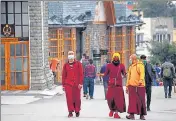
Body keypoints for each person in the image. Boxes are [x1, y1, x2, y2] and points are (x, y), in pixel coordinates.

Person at [100, 52, 126, 119]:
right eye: (115, 57)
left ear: (119, 58)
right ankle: (112, 110)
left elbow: (124, 74)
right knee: (109, 98)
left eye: (117, 57)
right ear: (113, 58)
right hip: (111, 85)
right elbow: (105, 74)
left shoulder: (122, 65)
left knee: (118, 100)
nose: (116, 58)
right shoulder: (109, 65)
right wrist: (100, 75)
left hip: (118, 85)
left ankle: (116, 113)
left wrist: (125, 75)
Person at [62, 51, 83, 118]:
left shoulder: (78, 64)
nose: (70, 56)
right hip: (68, 84)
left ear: (74, 56)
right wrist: (63, 85)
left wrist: (80, 83)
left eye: (72, 54)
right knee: (69, 99)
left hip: (76, 85)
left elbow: (81, 74)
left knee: (77, 98)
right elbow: (63, 75)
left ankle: (77, 111)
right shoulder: (65, 65)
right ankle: (70, 112)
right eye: (69, 54)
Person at [126, 54, 146, 120]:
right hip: (131, 86)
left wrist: (140, 80)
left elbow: (142, 74)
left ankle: (142, 115)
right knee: (132, 101)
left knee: (141, 100)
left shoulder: (140, 65)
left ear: (134, 59)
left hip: (140, 86)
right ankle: (131, 115)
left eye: (130, 59)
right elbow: (129, 77)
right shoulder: (131, 67)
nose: (130, 60)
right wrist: (127, 86)